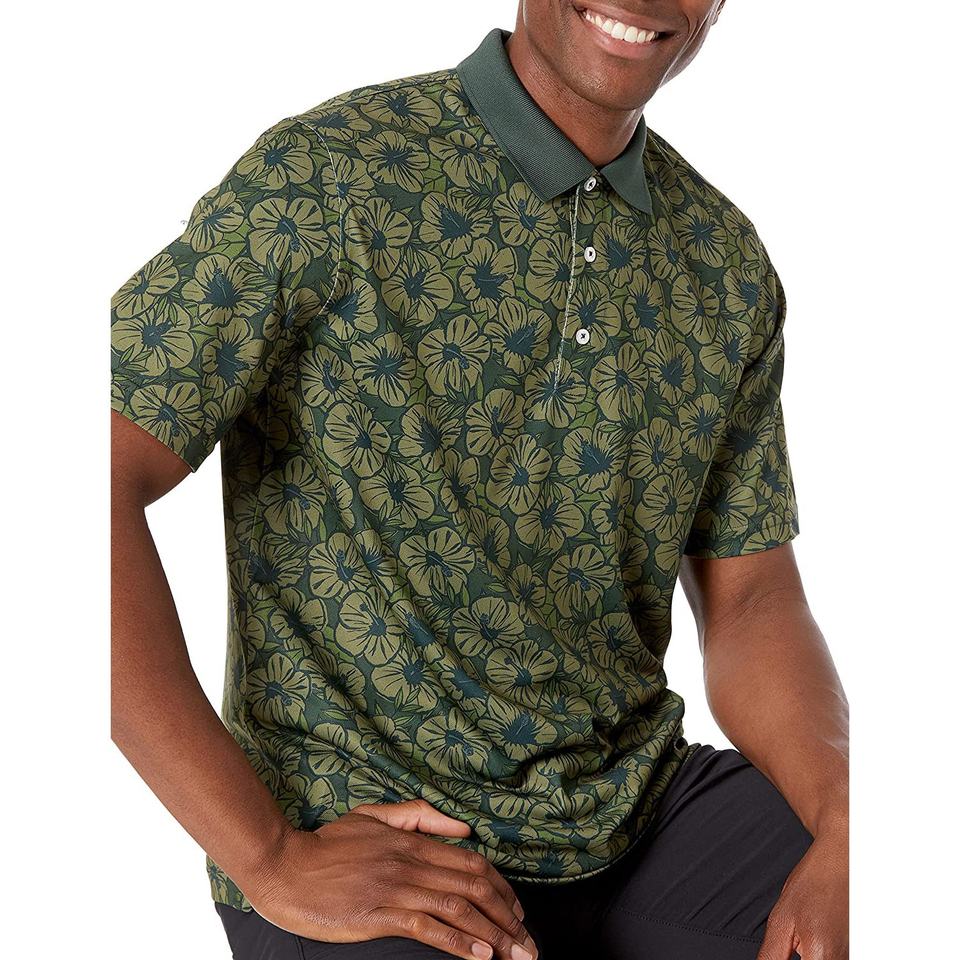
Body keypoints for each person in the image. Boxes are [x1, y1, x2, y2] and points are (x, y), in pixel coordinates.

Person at [110, 2, 849, 958]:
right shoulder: (328, 177)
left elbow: (752, 601)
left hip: (633, 812)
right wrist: (267, 854)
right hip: (374, 827)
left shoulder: (724, 263)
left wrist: (850, 822)